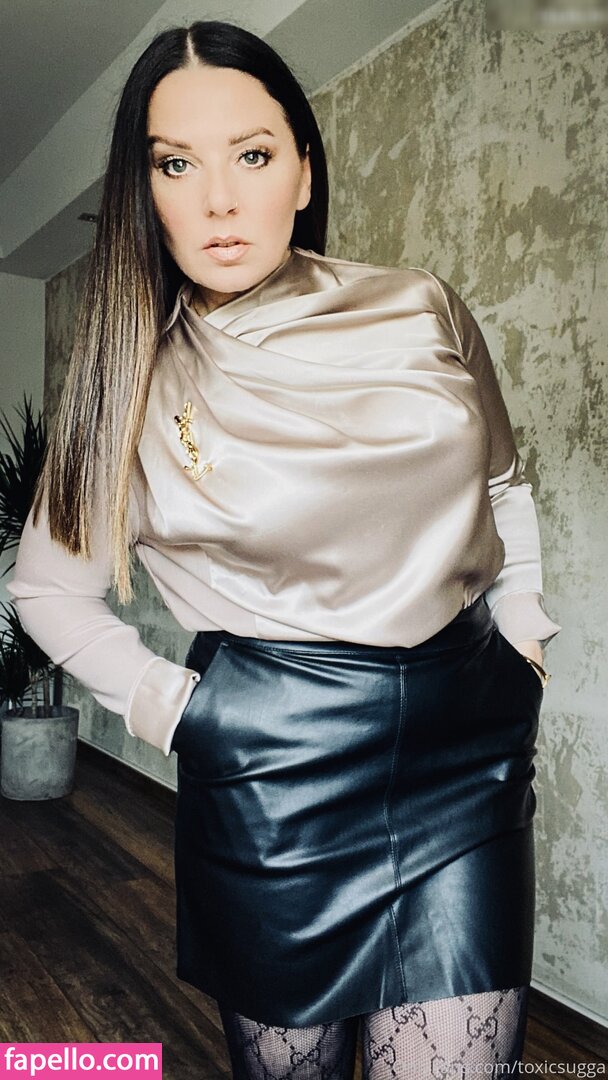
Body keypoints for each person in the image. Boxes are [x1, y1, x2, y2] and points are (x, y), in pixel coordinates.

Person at [7, 20, 561, 1080]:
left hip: (466, 752)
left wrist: (525, 637)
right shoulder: (126, 381)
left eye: (252, 155)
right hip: (274, 775)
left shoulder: (422, 307)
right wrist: (180, 710)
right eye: (177, 164)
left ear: (302, 171)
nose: (219, 199)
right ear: (145, 191)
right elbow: (45, 589)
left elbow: (501, 484)